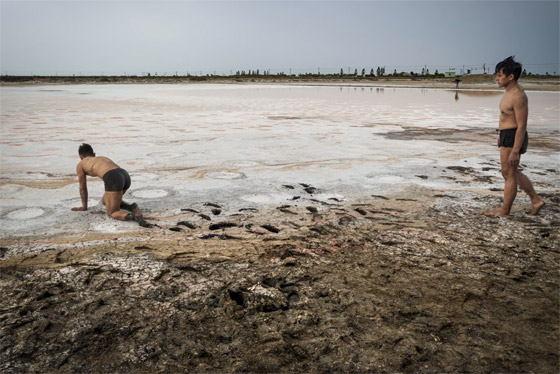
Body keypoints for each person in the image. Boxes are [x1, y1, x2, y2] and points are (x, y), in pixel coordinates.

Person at [486, 56, 545, 216]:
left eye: (499, 75)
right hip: (507, 135)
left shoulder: (518, 96)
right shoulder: (508, 92)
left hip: (514, 136)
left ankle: (505, 211)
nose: (496, 78)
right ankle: (535, 200)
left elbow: (521, 125)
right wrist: (501, 134)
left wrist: (515, 150)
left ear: (510, 76)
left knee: (509, 174)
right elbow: (506, 118)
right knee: (509, 172)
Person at [72, 143, 151, 227]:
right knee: (105, 200)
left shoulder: (81, 165)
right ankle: (131, 207)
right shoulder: (102, 158)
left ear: (81, 157)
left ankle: (135, 216)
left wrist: (84, 207)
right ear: (94, 154)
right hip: (124, 175)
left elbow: (83, 188)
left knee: (112, 212)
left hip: (113, 178)